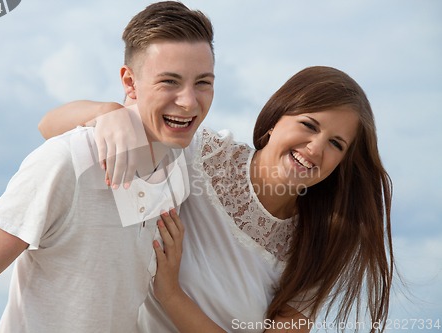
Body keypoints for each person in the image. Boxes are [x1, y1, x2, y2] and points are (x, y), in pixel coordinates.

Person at [40, 66, 394, 332]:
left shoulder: (323, 242)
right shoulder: (200, 157)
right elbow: (49, 126)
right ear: (274, 119)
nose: (315, 148)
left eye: (336, 144)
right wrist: (108, 114)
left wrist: (171, 294)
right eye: (309, 125)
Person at [0, 2, 215, 332]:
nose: (188, 101)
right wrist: (106, 110)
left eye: (203, 82)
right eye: (169, 82)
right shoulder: (66, 162)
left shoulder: (178, 163)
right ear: (130, 83)